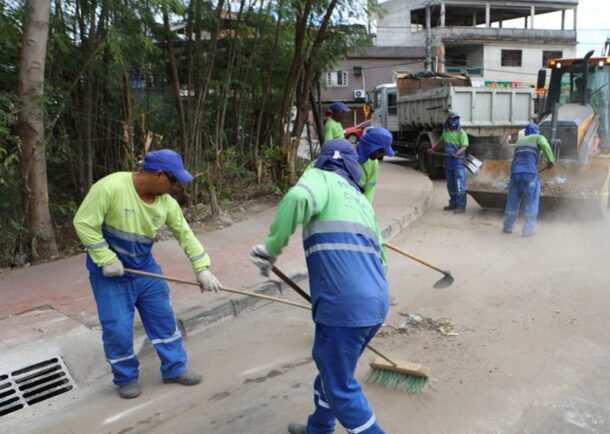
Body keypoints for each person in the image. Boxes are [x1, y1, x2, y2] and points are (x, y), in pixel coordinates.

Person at [249, 139, 389, 434]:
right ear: (352, 167)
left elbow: (298, 198)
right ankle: (319, 428)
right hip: (376, 303)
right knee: (332, 371)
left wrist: (270, 249)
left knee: (340, 387)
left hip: (342, 307)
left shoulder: (319, 177)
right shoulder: (361, 200)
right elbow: (383, 259)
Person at [72, 149, 221, 399]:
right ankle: (125, 378)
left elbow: (185, 234)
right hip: (110, 275)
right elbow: (84, 223)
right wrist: (106, 258)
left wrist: (202, 269)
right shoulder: (110, 187)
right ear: (159, 175)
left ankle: (174, 368)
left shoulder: (166, 204)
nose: (174, 187)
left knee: (164, 319)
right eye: (173, 181)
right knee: (117, 327)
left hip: (145, 269)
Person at [503, 123, 555, 237]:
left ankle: (508, 226)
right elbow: (545, 145)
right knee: (531, 201)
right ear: (536, 132)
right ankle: (528, 230)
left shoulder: (519, 142)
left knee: (512, 201)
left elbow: (514, 160)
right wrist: (551, 160)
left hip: (515, 174)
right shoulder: (538, 137)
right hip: (530, 175)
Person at [429, 112, 469, 214]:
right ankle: (453, 204)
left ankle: (461, 206)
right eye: (452, 119)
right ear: (448, 121)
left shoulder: (461, 133)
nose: (454, 121)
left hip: (458, 163)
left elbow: (464, 146)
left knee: (460, 184)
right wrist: (433, 149)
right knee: (450, 185)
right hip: (448, 163)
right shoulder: (446, 132)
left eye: (456, 119)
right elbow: (441, 142)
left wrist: (457, 153)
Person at [356, 127, 395, 204]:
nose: (381, 155)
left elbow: (370, 189)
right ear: (369, 146)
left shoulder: (374, 163)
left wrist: (366, 209)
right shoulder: (349, 159)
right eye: (381, 151)